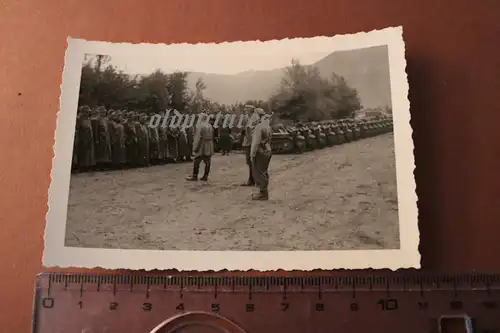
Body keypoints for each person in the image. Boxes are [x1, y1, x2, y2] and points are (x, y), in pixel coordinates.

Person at [250, 108, 272, 200]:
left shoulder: (259, 127)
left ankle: (263, 194)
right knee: (264, 171)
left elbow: (256, 142)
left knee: (259, 172)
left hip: (260, 151)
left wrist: (252, 154)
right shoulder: (267, 126)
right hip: (267, 150)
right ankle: (263, 192)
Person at [186, 114, 214, 181]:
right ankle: (205, 176)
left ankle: (195, 176)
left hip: (202, 144)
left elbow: (198, 137)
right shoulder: (210, 126)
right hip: (209, 144)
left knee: (197, 160)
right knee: (207, 161)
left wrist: (195, 147)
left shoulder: (200, 126)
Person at [240, 104, 258, 186]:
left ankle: (252, 180)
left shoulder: (254, 118)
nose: (245, 111)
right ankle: (252, 180)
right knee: (250, 162)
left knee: (252, 162)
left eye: (247, 109)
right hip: (249, 142)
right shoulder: (249, 117)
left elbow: (251, 131)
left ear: (251, 109)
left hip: (251, 142)